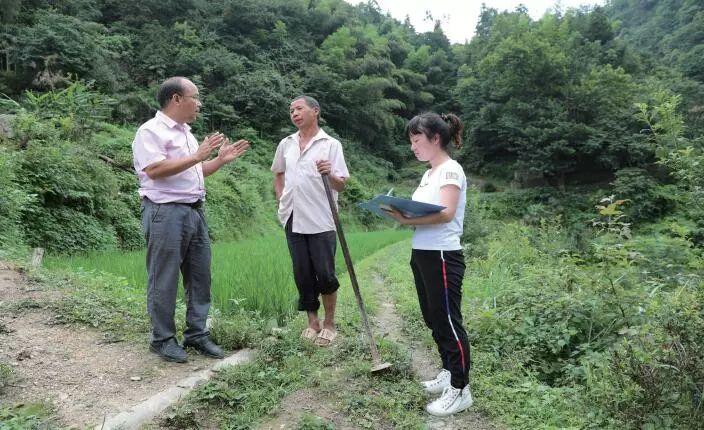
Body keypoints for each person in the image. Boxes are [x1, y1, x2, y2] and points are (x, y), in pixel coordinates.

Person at [132, 76, 250, 363]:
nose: (199, 103)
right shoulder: (151, 131)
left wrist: (219, 160)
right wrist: (198, 155)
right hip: (165, 212)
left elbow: (194, 171)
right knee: (165, 278)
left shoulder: (187, 132)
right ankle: (162, 339)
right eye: (195, 97)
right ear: (176, 99)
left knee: (200, 277)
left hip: (195, 211)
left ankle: (196, 334)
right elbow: (155, 169)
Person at [384, 112, 472, 417]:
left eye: (417, 140)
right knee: (433, 318)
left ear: (436, 138)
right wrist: (405, 217)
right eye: (411, 141)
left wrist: (408, 219)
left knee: (448, 320)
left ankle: (460, 389)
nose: (413, 147)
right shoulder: (429, 174)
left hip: (443, 256)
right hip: (422, 253)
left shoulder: (450, 171)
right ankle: (448, 371)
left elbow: (446, 214)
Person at [271, 95, 349, 346]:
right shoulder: (286, 143)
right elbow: (278, 173)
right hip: (293, 217)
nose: (294, 113)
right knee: (302, 272)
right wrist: (282, 199)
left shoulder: (330, 144)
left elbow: (341, 184)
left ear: (315, 111)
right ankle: (312, 322)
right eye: (291, 109)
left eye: (299, 108)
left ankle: (329, 323)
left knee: (325, 273)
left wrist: (330, 174)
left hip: (321, 218)